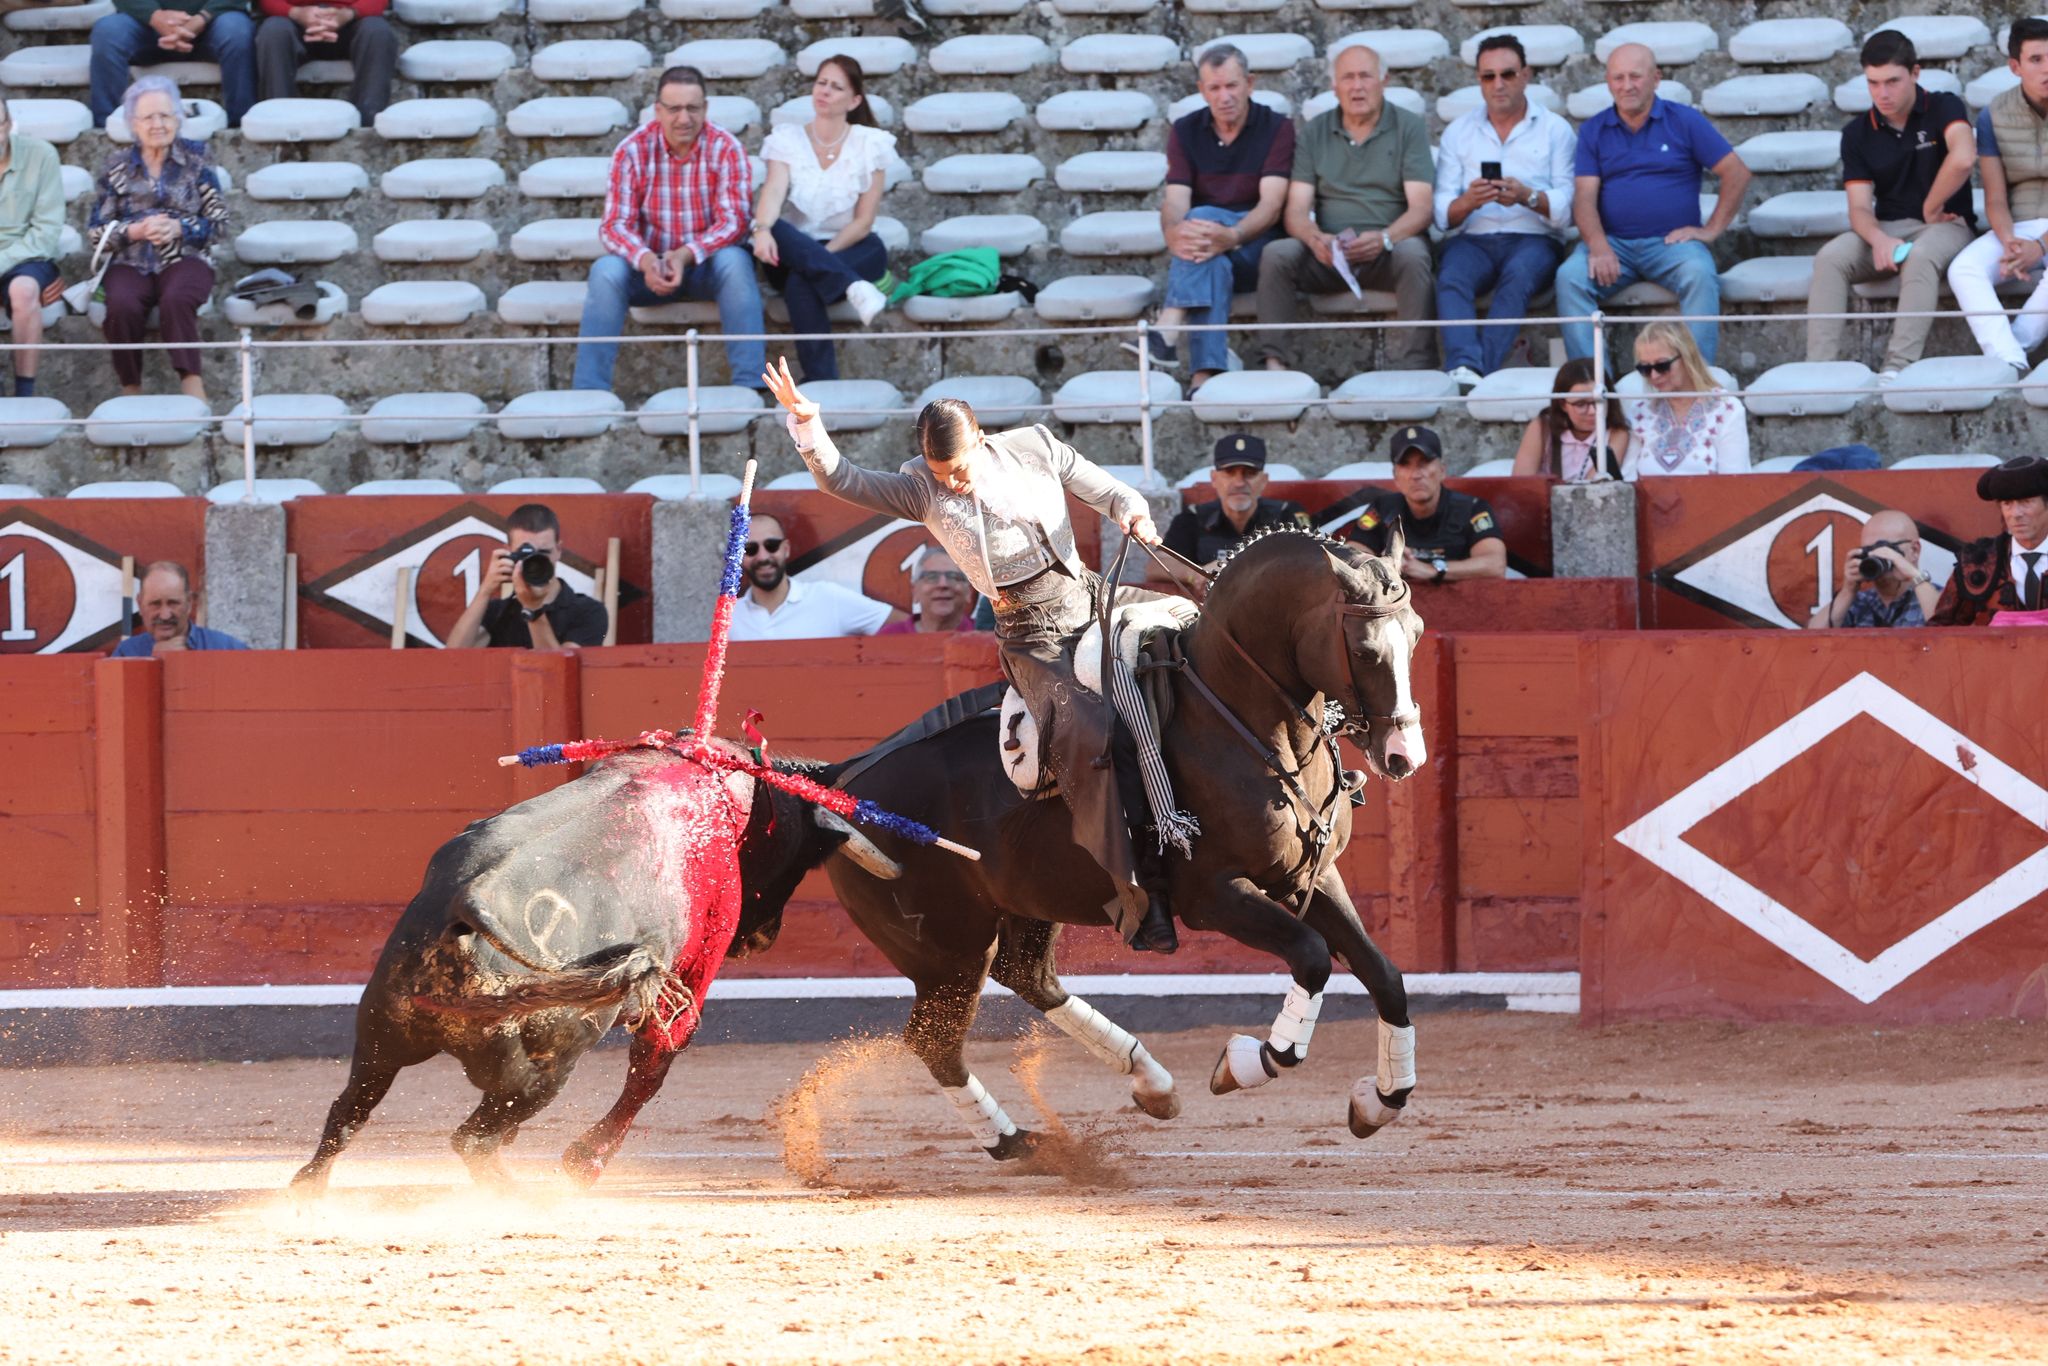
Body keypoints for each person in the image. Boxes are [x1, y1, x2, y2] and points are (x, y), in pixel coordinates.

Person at [762, 357, 1182, 954]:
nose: (950, 483)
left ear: (981, 441)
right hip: (1031, 634)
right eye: (940, 472)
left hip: (1089, 597)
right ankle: (1133, 893)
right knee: (1087, 733)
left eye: (956, 470)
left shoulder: (1036, 446)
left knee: (1193, 630)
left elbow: (1106, 488)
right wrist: (809, 426)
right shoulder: (918, 485)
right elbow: (842, 480)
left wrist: (1131, 512)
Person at [573, 66, 766, 395]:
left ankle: (750, 386)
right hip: (649, 268)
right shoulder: (632, 150)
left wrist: (684, 255)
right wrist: (648, 261)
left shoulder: (726, 148)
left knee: (735, 262)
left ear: (705, 108)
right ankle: (589, 392)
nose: (683, 119)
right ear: (657, 111)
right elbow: (614, 225)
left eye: (692, 108)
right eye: (674, 109)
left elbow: (734, 222)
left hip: (706, 265)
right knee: (605, 270)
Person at [1556, 43, 1751, 366]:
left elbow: (1737, 173)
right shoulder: (1594, 130)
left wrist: (1711, 230)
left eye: (1636, 76)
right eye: (1618, 77)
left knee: (1700, 273)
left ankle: (1696, 380)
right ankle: (1595, 388)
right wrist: (1598, 245)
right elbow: (1585, 199)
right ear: (1608, 81)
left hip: (1671, 245)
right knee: (1569, 277)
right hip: (1614, 244)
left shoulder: (1684, 121)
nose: (1626, 85)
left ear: (1656, 78)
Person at [1807, 31, 1976, 384]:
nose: (1882, 93)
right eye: (1873, 83)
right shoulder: (1857, 133)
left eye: (1892, 82)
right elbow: (1858, 208)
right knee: (1830, 257)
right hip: (1888, 227)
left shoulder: (1944, 106)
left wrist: (1932, 205)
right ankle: (1818, 370)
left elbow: (1963, 157)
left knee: (1922, 253)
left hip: (1947, 224)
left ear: (1915, 73)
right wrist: (1879, 239)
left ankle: (1897, 367)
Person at [1256, 43, 1435, 374]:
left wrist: (1383, 238)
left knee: (1413, 252)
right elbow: (1295, 211)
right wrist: (1315, 240)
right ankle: (1275, 363)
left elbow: (1422, 208)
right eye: (1348, 78)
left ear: (1384, 80)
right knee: (1277, 253)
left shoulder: (1408, 127)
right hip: (1330, 257)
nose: (1357, 86)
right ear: (1334, 86)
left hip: (1387, 251)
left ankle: (1417, 366)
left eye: (1365, 76)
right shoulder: (1314, 132)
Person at [1134, 43, 1294, 389]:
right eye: (1215, 88)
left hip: (1257, 247)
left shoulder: (1277, 128)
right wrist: (1174, 233)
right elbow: (1175, 202)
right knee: (1210, 255)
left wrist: (1232, 236)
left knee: (1202, 217)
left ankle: (1169, 326)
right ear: (1201, 91)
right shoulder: (1186, 130)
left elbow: (1271, 207)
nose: (1225, 96)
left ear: (1250, 83)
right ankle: (1205, 377)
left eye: (1232, 85)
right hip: (1208, 252)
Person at [1432, 34, 1576, 387]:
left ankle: (1483, 372)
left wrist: (1528, 197)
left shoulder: (1555, 129)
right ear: (1479, 81)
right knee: (1451, 278)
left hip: (1534, 237)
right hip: (1475, 238)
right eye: (1488, 76)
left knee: (1519, 276)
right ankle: (1463, 365)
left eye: (1508, 74)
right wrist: (1469, 201)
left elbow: (1568, 206)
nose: (1498, 84)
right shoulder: (1458, 133)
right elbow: (1441, 215)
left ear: (1525, 75)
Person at [749, 55, 892, 383]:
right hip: (792, 253)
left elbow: (863, 222)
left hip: (848, 246)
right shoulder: (787, 140)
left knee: (808, 279)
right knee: (775, 228)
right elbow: (772, 193)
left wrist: (820, 262)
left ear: (854, 100)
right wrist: (761, 230)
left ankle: (821, 382)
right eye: (821, 83)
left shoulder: (871, 144)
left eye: (836, 86)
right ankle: (855, 287)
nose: (824, 91)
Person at [87, 77, 228, 401]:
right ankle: (130, 387)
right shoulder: (116, 167)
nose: (158, 124)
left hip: (186, 257)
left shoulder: (198, 159)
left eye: (165, 115)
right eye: (148, 117)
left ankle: (192, 383)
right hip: (130, 259)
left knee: (177, 296)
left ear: (177, 118)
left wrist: (181, 229)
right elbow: (97, 233)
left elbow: (220, 223)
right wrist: (133, 231)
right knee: (121, 302)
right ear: (133, 124)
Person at [1947, 18, 2048, 379]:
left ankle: (2012, 353)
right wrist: (2010, 242)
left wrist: (2040, 245)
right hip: (2018, 224)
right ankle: (2012, 363)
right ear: (2015, 66)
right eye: (2036, 59)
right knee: (1964, 268)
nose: (2047, 68)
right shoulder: (1994, 115)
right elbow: (1995, 197)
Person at [1327, 425, 1506, 581]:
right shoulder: (1382, 508)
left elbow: (1495, 564)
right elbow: (1350, 557)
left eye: (1424, 462)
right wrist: (1384, 563)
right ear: (1395, 477)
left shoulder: (1473, 509)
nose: (1416, 474)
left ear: (1442, 470)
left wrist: (1434, 570)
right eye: (1406, 465)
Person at [446, 503, 610, 649]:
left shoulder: (589, 611)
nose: (535, 561)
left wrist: (534, 610)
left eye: (543, 553)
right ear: (509, 552)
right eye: (526, 554)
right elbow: (454, 657)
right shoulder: (497, 612)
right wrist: (485, 590)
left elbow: (560, 671)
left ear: (559, 550)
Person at [1155, 433, 1310, 580]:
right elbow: (1156, 565)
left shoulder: (1287, 514)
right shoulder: (1193, 517)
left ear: (1263, 480)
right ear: (1214, 479)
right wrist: (1197, 573)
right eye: (1229, 472)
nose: (1239, 483)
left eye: (1249, 473)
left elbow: (1313, 561)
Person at [727, 512, 902, 640]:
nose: (763, 557)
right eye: (750, 549)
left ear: (786, 549)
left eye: (771, 545)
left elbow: (905, 627)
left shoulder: (828, 598)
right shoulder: (729, 617)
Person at [89, 0, 255, 129]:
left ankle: (240, 126)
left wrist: (201, 18)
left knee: (237, 32)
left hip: (214, 22)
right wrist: (155, 17)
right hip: (145, 25)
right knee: (107, 32)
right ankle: (107, 126)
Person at [1620, 320, 1750, 477]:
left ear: (1687, 358)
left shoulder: (1726, 409)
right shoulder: (1639, 411)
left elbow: (1735, 480)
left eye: (1662, 366)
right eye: (1645, 368)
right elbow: (1627, 479)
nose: (1654, 375)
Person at [0, 92, 65, 399]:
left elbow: (46, 231)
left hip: (28, 254)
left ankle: (25, 392)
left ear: (9, 124)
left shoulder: (42, 155)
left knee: (24, 291)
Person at [1932, 454, 2048, 624]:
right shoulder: (1978, 561)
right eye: (2007, 504)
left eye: (2026, 502)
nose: (2015, 514)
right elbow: (1943, 629)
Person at [253, 0, 399, 121]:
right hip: (293, 20)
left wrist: (348, 14)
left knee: (378, 32)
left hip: (351, 19)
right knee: (273, 31)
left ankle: (368, 119)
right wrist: (296, 13)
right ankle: (278, 120)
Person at [1806, 510, 1942, 628]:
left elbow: (1946, 628)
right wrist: (1847, 591)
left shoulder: (1938, 596)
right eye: (1869, 550)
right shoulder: (1858, 602)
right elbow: (1812, 641)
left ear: (1915, 550)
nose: (1878, 555)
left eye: (1887, 548)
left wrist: (1914, 575)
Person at [1510, 357, 1629, 480]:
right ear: (1563, 404)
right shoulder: (1542, 426)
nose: (1593, 412)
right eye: (1581, 404)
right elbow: (1521, 482)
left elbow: (1594, 486)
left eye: (1599, 402)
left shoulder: (1617, 432)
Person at [110, 561, 249, 655]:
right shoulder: (127, 653)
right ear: (140, 604)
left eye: (173, 603)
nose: (165, 615)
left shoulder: (226, 649)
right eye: (155, 604)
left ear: (189, 603)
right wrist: (153, 663)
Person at [877, 545, 978, 635]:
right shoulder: (889, 637)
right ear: (915, 591)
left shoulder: (987, 635)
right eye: (931, 577)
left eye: (953, 577)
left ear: (968, 591)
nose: (942, 584)